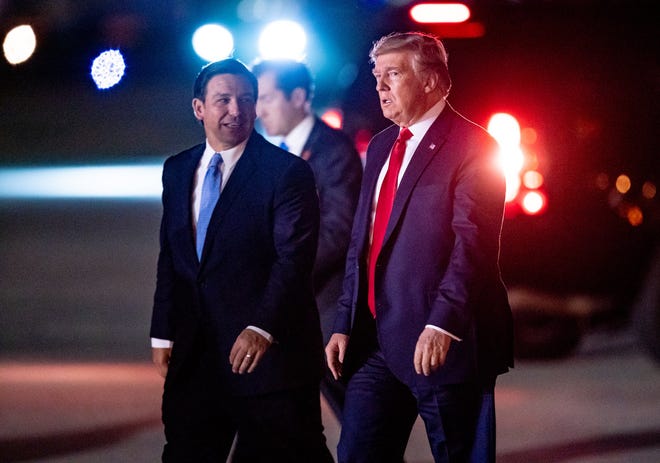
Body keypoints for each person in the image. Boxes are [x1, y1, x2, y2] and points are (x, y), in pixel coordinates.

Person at [325, 32, 514, 462]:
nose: (380, 87)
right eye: (376, 76)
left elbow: (474, 245)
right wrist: (344, 322)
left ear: (430, 81)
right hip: (376, 343)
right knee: (357, 453)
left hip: (442, 343)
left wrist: (443, 324)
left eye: (392, 74)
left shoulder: (475, 147)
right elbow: (363, 242)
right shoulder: (379, 148)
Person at [149, 58, 333, 463]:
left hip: (268, 361)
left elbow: (293, 259)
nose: (237, 110)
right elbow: (172, 256)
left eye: (246, 100)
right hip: (197, 357)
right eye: (224, 100)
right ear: (199, 108)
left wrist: (261, 327)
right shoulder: (177, 170)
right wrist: (162, 331)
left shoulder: (286, 172)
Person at [252, 59, 363, 422]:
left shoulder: (333, 151)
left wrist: (284, 277)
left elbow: (338, 230)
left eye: (267, 97)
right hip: (286, 311)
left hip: (325, 311)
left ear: (298, 97)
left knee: (359, 423)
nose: (258, 108)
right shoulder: (268, 155)